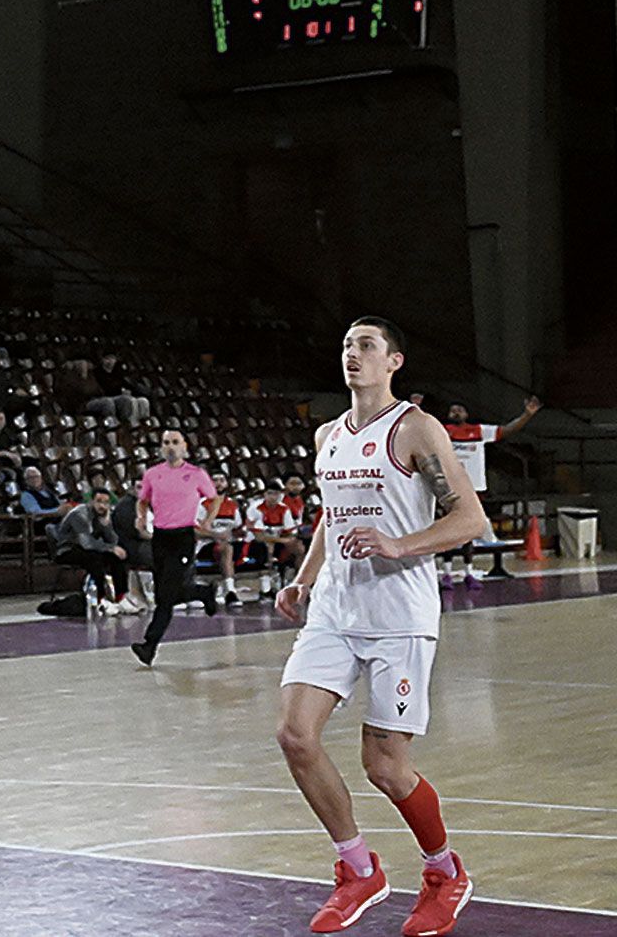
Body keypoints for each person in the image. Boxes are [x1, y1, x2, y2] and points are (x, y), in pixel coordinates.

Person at [274, 317, 484, 936]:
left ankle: (446, 872)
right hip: (336, 611)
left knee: (386, 766)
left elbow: (468, 518)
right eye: (346, 345)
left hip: (399, 614)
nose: (352, 355)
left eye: (366, 346)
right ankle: (358, 868)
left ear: (394, 361)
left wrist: (399, 543)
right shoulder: (328, 435)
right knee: (294, 735)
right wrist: (305, 577)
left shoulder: (416, 428)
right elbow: (331, 517)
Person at [129, 428, 223, 667]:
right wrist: (141, 517)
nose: (170, 446)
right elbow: (143, 500)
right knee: (165, 593)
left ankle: (149, 645)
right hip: (161, 536)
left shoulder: (196, 474)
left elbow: (214, 499)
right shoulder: (152, 474)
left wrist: (208, 520)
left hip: (183, 536)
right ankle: (202, 592)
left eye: (175, 442)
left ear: (184, 447)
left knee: (166, 595)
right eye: (166, 443)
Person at [440, 396, 540, 584]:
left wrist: (526, 415)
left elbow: (508, 429)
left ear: (466, 414)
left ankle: (468, 572)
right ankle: (447, 573)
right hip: (451, 487)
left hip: (475, 488)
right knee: (449, 530)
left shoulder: (477, 430)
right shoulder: (443, 432)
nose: (455, 412)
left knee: (469, 531)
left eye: (459, 409)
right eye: (452, 410)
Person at [54, 489, 138, 617]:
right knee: (94, 559)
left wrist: (107, 525)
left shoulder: (104, 515)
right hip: (67, 549)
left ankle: (121, 597)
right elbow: (86, 543)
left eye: (106, 502)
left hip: (90, 549)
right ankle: (100, 598)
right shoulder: (79, 514)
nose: (102, 506)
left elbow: (113, 540)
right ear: (91, 501)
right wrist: (111, 548)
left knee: (116, 558)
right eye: (98, 501)